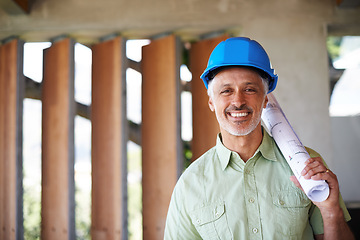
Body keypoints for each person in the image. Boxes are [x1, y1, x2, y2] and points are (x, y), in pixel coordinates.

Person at [164, 37, 354, 239]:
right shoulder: (190, 184)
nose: (238, 101)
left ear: (265, 99)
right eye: (226, 91)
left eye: (249, 89)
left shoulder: (305, 166)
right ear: (212, 102)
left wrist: (332, 211)